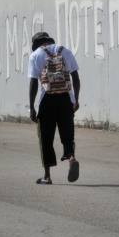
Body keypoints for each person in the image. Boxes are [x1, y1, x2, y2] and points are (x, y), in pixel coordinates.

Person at [28, 32, 81, 184]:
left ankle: (47, 176)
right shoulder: (65, 51)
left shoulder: (36, 56)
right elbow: (75, 77)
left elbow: (33, 83)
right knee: (67, 134)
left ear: (36, 44)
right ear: (49, 41)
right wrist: (75, 99)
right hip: (65, 99)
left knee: (45, 137)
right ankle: (71, 158)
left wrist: (32, 108)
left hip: (47, 100)